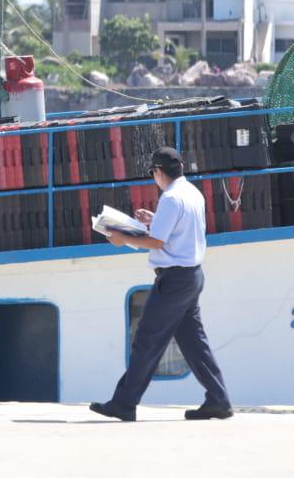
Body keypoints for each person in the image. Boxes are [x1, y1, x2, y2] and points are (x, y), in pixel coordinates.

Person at [89, 146, 232, 421]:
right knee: (193, 343)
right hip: (192, 275)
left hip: (174, 279)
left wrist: (122, 238)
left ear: (157, 172)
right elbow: (181, 230)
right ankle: (219, 400)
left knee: (147, 340)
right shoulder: (192, 193)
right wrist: (155, 221)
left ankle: (124, 403)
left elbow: (156, 242)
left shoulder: (170, 198)